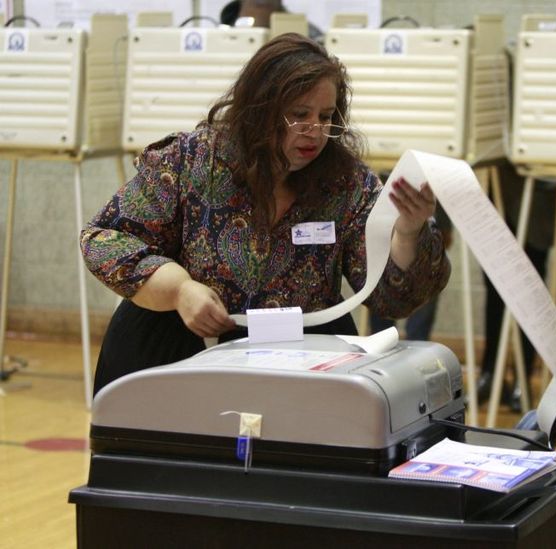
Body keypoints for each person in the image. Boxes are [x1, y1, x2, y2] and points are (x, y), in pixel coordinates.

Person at [80, 33, 451, 395]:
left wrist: (407, 233)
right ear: (260, 110)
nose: (316, 132)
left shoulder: (346, 183)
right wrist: (179, 289)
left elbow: (393, 300)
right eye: (299, 115)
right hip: (178, 355)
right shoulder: (191, 161)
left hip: (301, 367)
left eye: (326, 116)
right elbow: (104, 239)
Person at [476, 159, 556, 412]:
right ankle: (491, 372)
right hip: (497, 182)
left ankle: (524, 376)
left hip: (537, 192)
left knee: (530, 289)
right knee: (495, 286)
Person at [369, 201, 452, 340]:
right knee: (382, 331)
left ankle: (413, 349)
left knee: (417, 327)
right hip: (382, 207)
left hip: (426, 206)